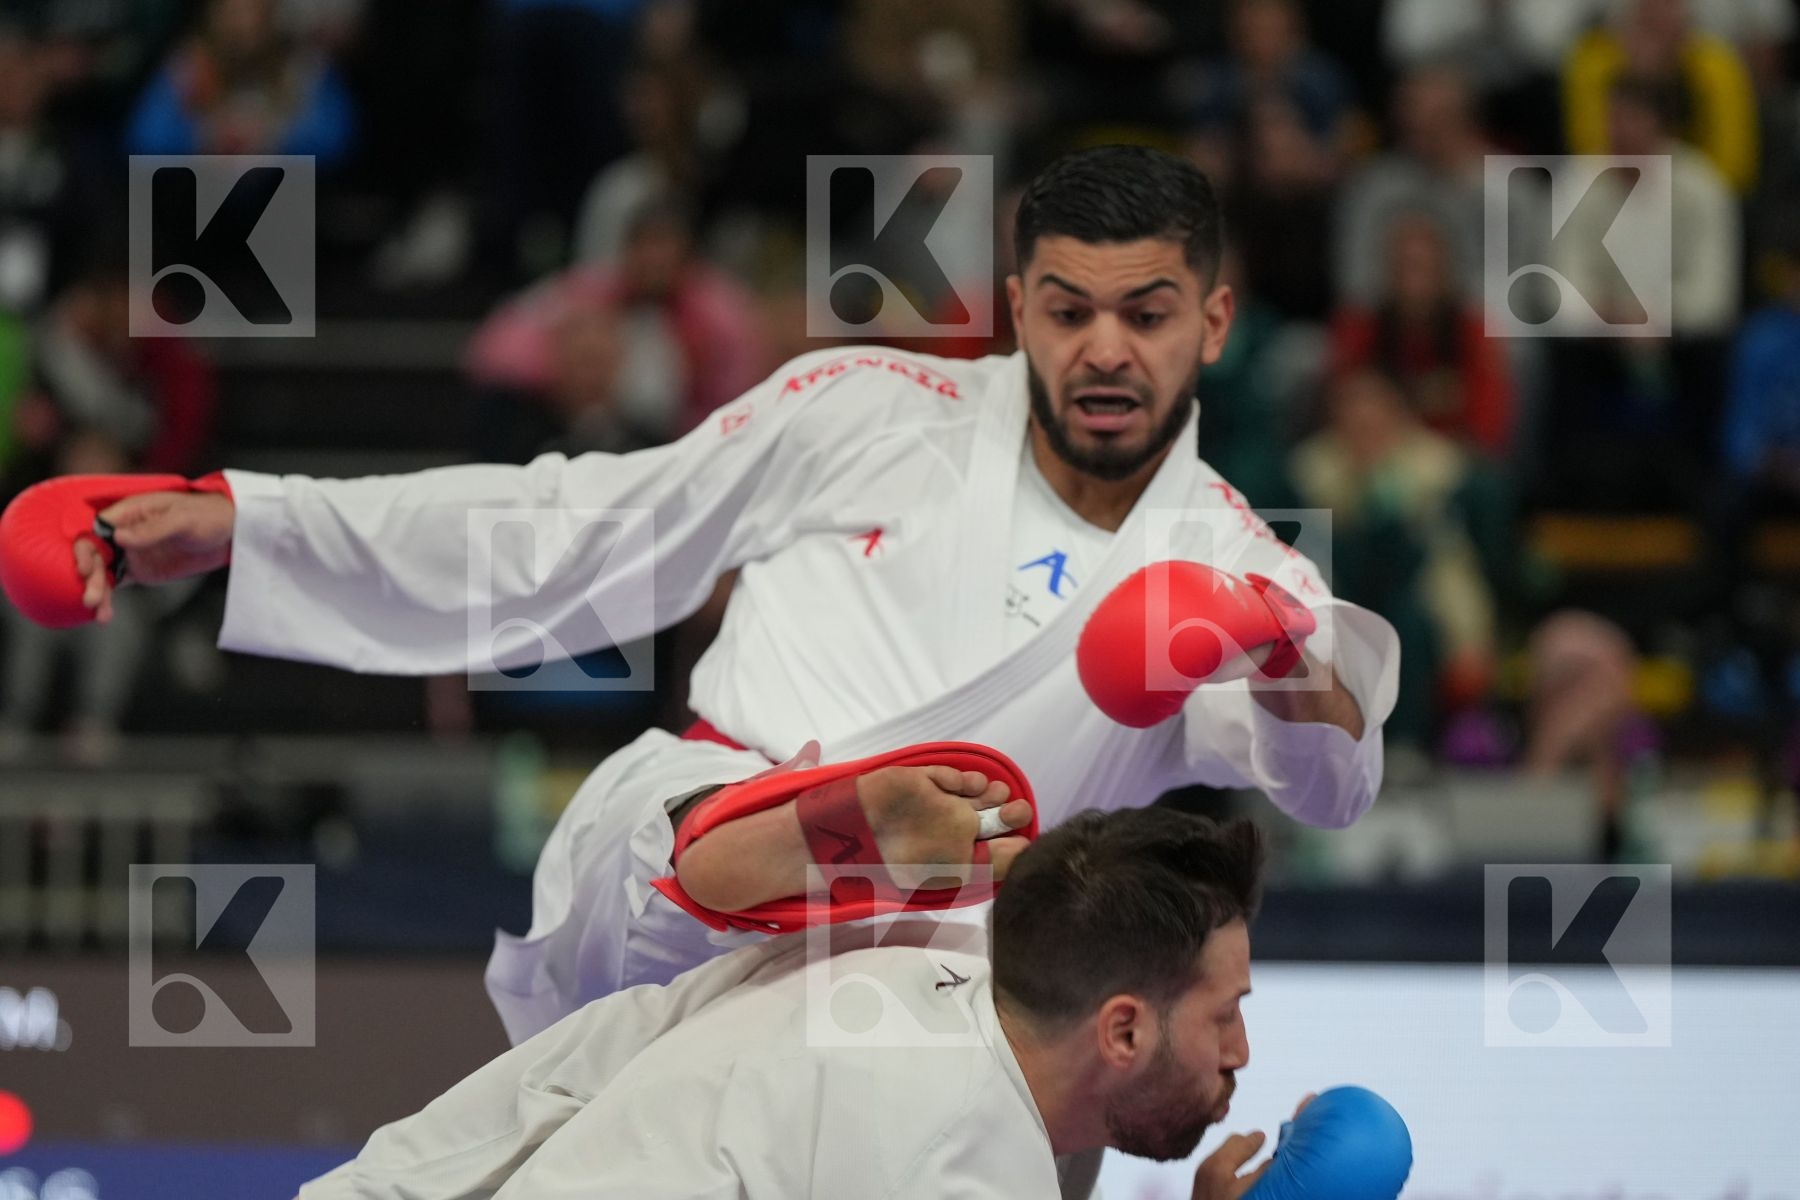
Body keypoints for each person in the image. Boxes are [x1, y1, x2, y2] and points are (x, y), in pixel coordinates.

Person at [31, 146, 1400, 1043]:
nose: (1105, 349)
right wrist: (243, 521)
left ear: (1214, 321)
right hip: (683, 928)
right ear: (1014, 305)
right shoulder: (871, 407)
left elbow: (1331, 788)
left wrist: (1289, 660)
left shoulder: (1236, 564)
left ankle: (831, 844)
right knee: (658, 830)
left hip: (948, 1010)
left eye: (1148, 313)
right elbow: (577, 526)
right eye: (1068, 309)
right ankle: (788, 830)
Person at [298, 809, 1412, 1200]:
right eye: (1225, 1014)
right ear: (1121, 1028)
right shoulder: (944, 1156)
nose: (1243, 1050)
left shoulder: (910, 970)